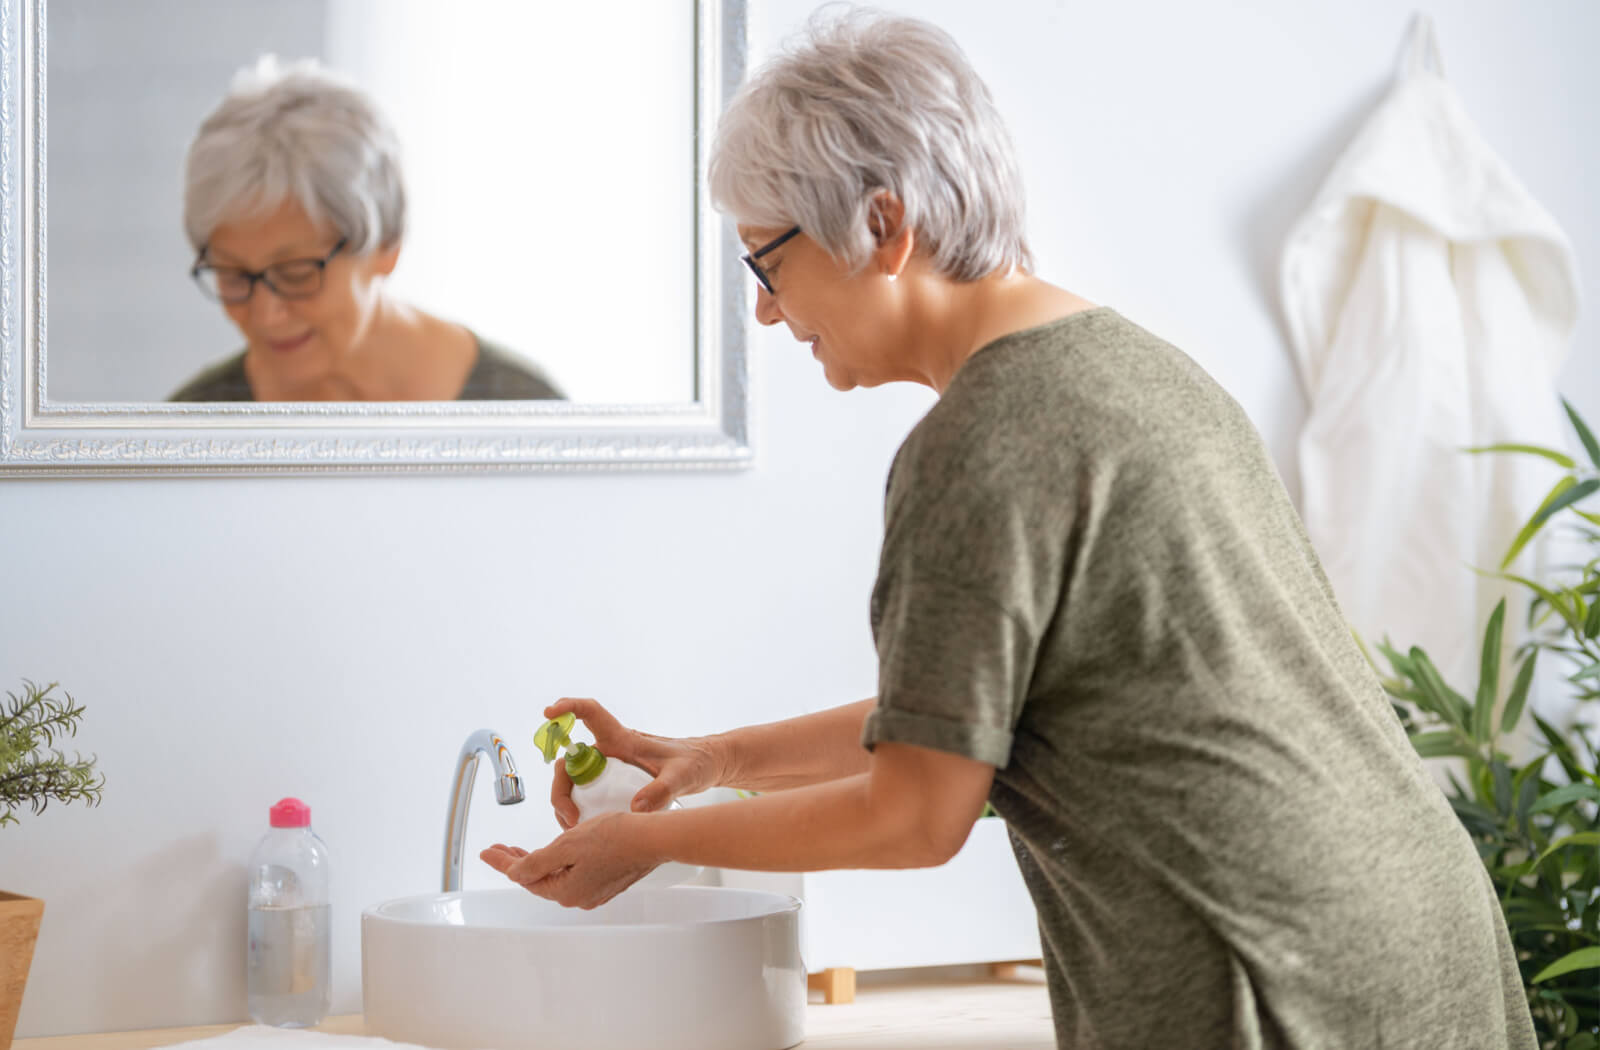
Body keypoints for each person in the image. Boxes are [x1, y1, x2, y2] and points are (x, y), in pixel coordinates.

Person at [480, 10, 1536, 1048]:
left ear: (883, 226)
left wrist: (649, 845)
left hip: (1265, 964)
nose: (765, 311)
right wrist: (714, 757)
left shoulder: (976, 444)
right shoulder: (1136, 367)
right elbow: (1006, 699)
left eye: (767, 263)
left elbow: (913, 813)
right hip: (1414, 928)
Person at [170, 57, 562, 402]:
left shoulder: (521, 412)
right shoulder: (190, 431)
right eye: (234, 276)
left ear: (388, 244)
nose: (265, 315)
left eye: (296, 273)